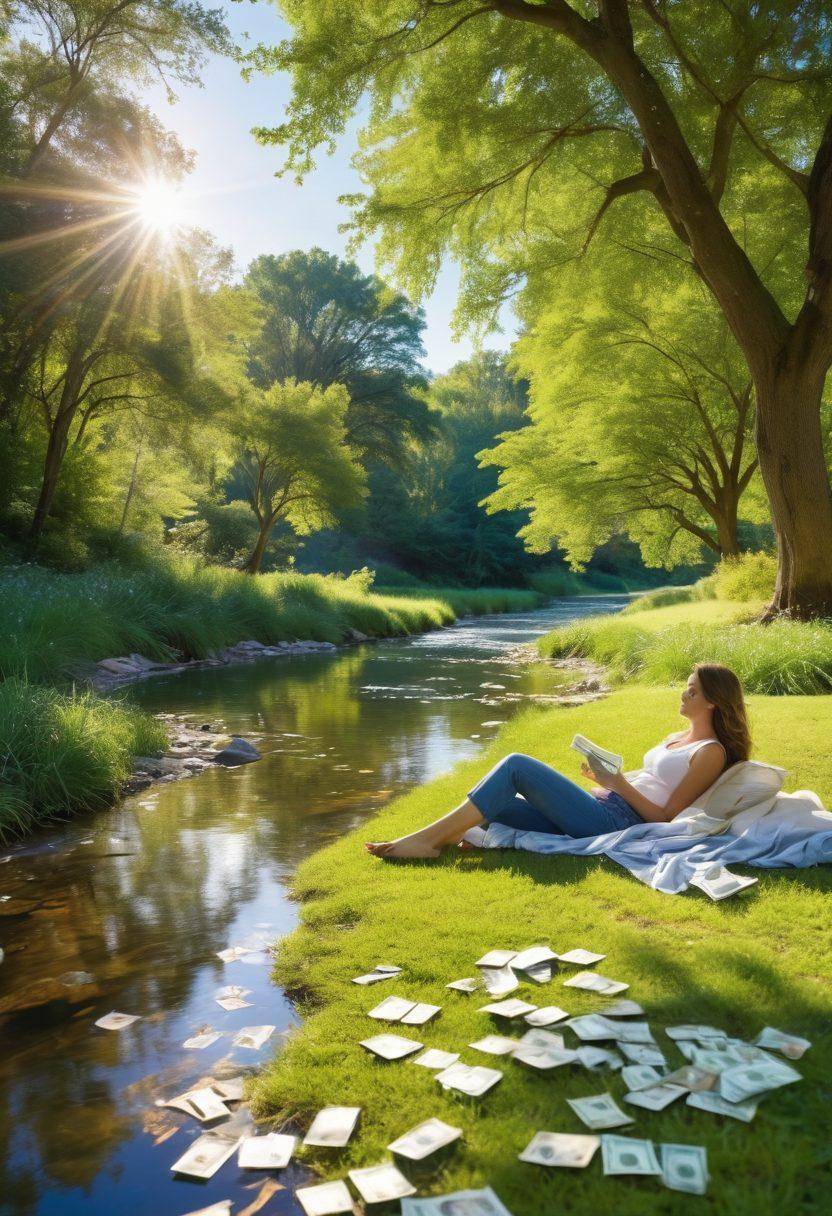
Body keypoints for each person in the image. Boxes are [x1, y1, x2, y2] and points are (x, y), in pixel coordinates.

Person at [365, 662, 751, 859]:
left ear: (713, 700)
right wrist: (605, 780)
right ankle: (441, 837)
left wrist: (619, 785)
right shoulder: (676, 737)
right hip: (604, 804)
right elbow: (649, 779)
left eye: (692, 691)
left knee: (516, 765)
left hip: (615, 823)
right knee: (496, 804)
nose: (683, 696)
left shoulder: (710, 753)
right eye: (686, 688)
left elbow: (665, 817)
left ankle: (427, 842)